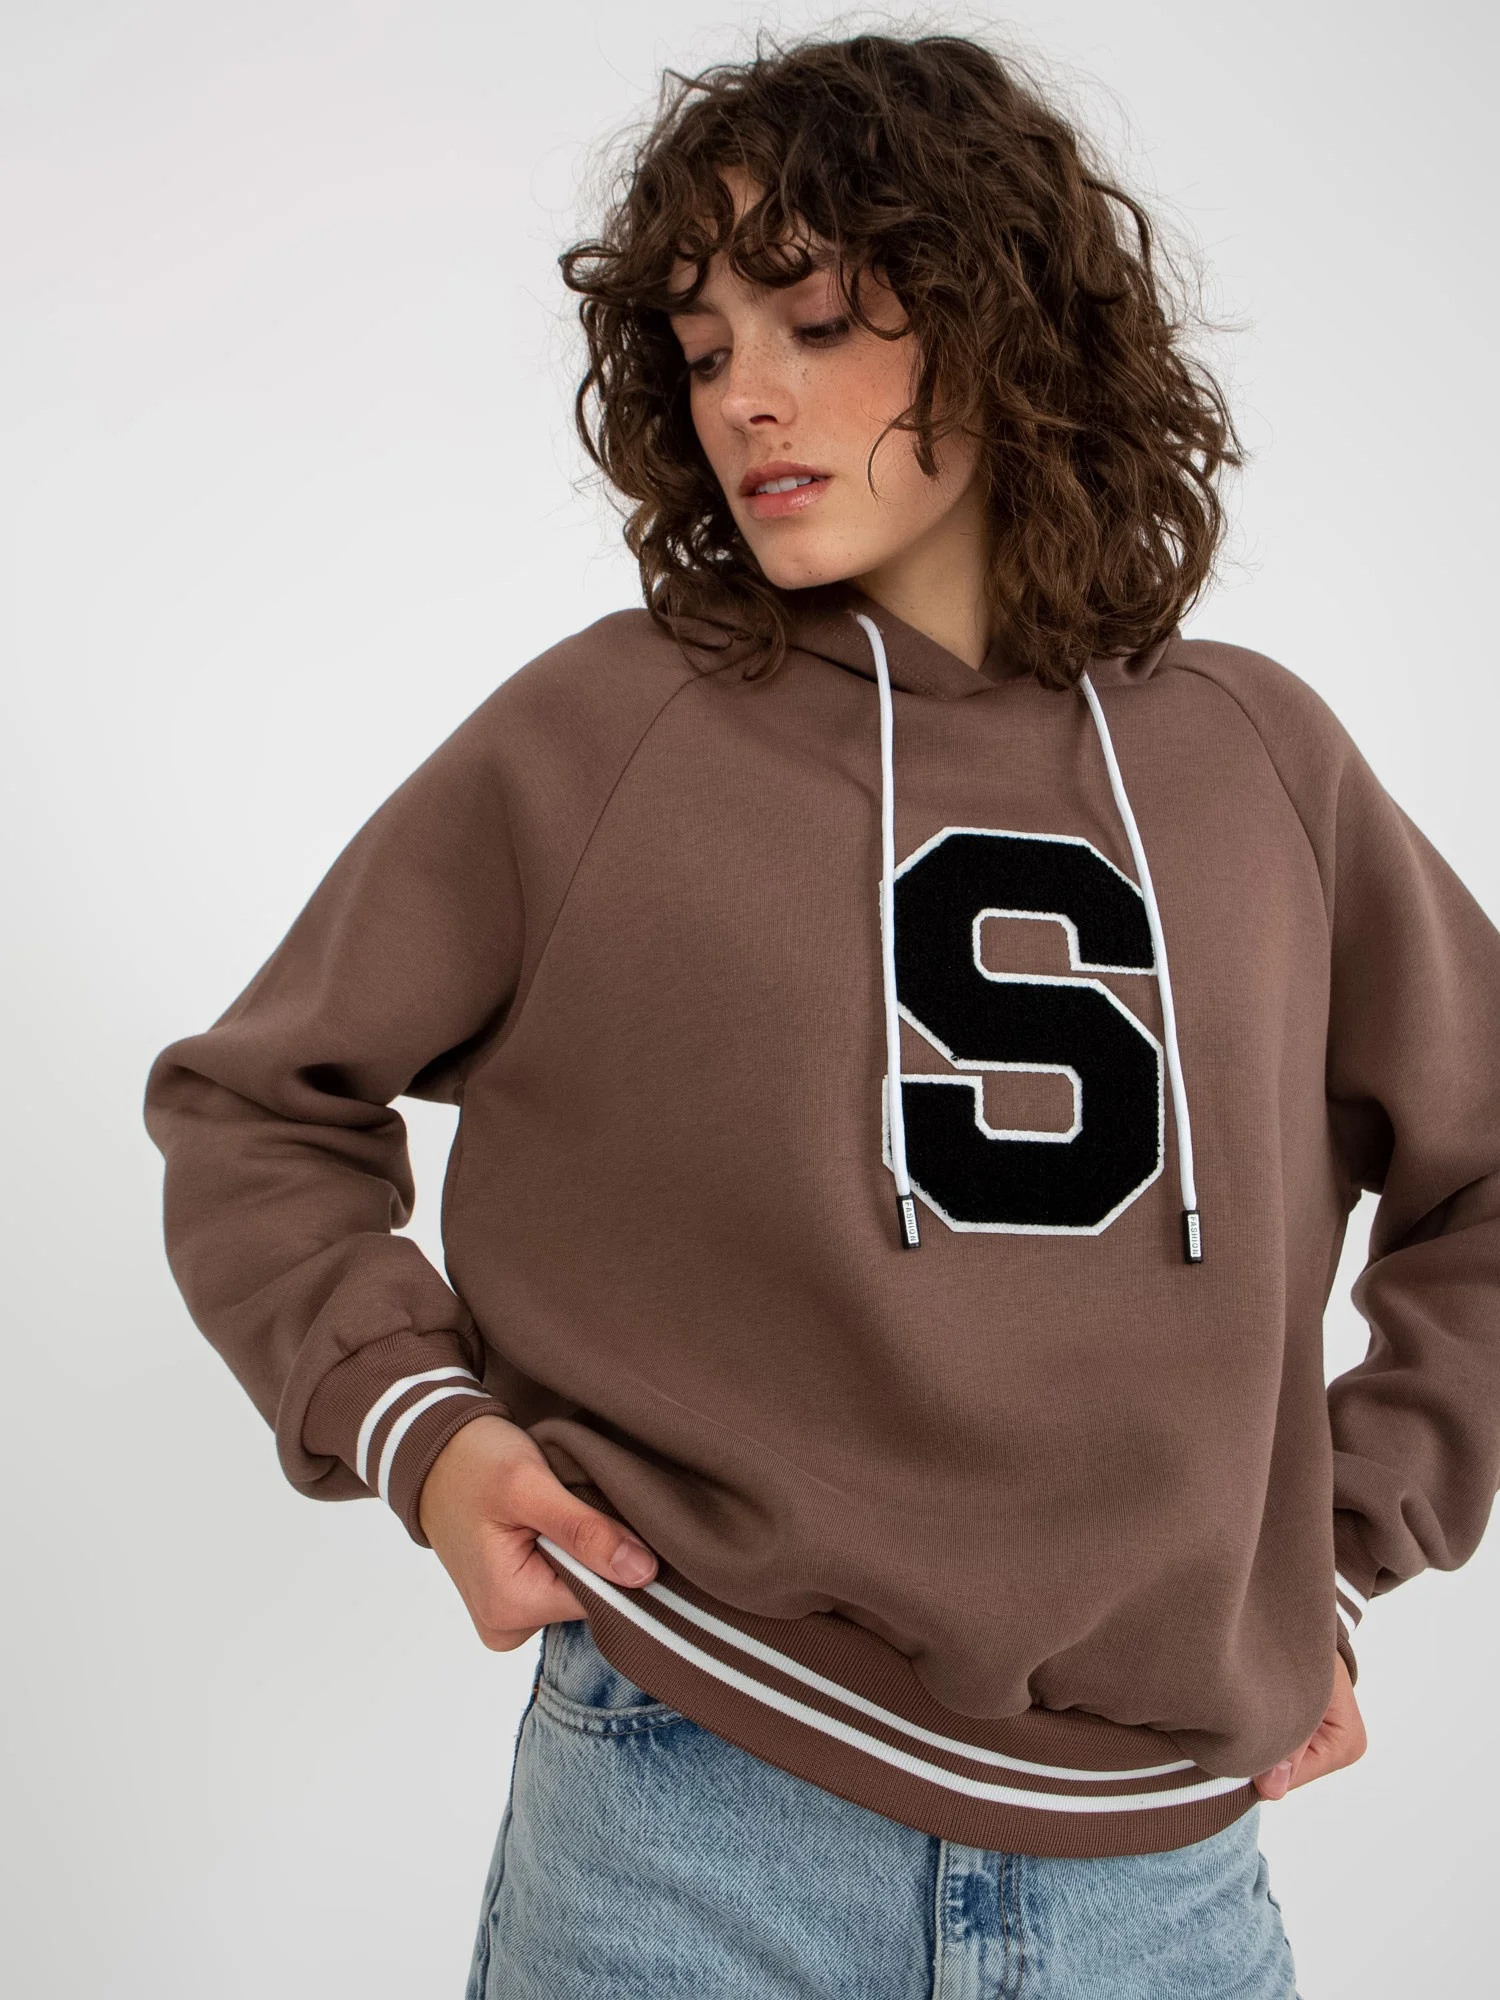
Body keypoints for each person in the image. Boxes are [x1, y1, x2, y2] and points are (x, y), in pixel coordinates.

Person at [142, 29, 1500, 1999]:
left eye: (815, 321)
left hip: (1162, 1879)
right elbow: (256, 1102)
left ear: (1004, 327)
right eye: (702, 349)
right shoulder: (614, 730)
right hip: (691, 1807)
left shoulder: (1257, 763)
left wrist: (1340, 1544)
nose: (745, 398)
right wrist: (419, 1433)